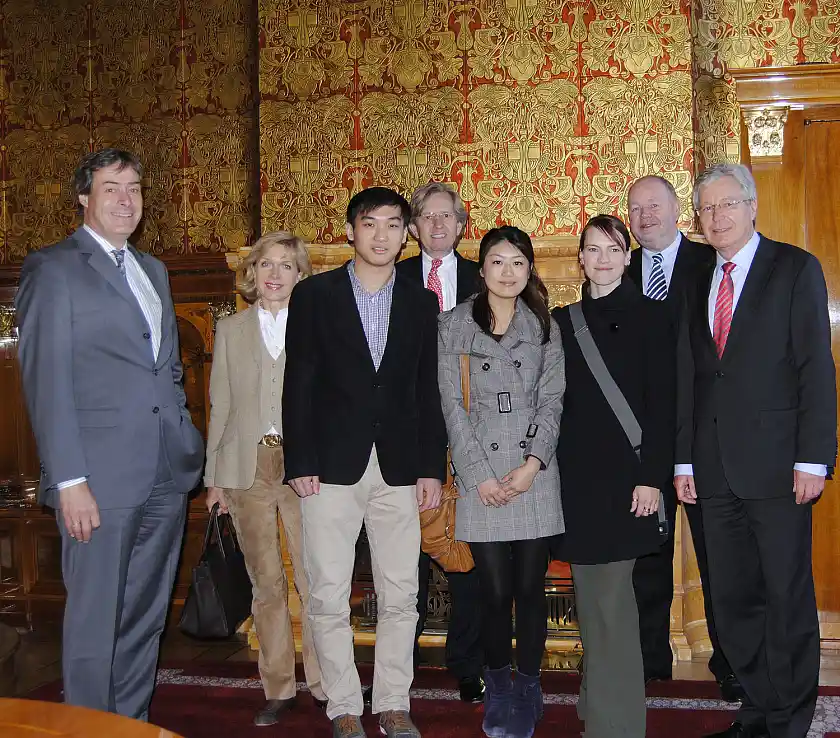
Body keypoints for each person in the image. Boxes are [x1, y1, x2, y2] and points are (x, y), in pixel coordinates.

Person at [15, 148, 204, 719]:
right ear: (84, 197)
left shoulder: (153, 270)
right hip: (97, 480)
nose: (126, 200)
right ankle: (86, 729)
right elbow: (46, 381)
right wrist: (69, 480)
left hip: (166, 472)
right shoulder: (53, 268)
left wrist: (183, 433)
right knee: (95, 622)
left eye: (134, 189)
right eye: (111, 188)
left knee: (145, 618)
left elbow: (166, 368)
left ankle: (129, 725)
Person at [675, 163, 836, 738]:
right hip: (712, 469)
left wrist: (813, 458)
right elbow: (689, 376)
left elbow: (815, 367)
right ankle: (758, 709)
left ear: (752, 207)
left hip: (778, 468)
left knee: (785, 597)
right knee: (733, 599)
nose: (716, 217)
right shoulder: (695, 279)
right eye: (707, 209)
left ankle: (790, 719)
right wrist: (683, 459)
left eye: (727, 205)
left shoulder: (794, 268)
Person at [282, 187, 448, 738]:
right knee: (327, 593)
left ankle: (394, 702)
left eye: (393, 225)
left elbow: (428, 391)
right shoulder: (314, 295)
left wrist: (431, 467)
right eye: (370, 224)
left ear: (407, 235)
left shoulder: (422, 302)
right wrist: (299, 459)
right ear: (351, 231)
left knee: (402, 593)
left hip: (399, 467)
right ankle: (345, 707)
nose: (381, 235)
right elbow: (299, 383)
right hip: (329, 467)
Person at [438, 226, 565, 738]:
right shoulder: (453, 325)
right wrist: (479, 476)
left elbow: (553, 399)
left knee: (530, 590)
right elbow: (451, 405)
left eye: (517, 262)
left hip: (534, 474)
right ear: (482, 268)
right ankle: (498, 688)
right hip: (480, 477)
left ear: (529, 269)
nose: (507, 272)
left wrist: (532, 464)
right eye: (497, 261)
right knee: (492, 592)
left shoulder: (545, 325)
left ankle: (529, 687)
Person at [553, 214, 675, 738]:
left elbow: (664, 407)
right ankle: (594, 702)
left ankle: (617, 726)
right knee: (591, 600)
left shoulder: (654, 317)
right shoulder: (561, 322)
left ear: (628, 257)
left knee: (613, 606)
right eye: (592, 249)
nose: (602, 259)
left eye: (612, 249)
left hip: (629, 483)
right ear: (580, 258)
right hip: (576, 483)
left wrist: (652, 478)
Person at [203, 232, 326, 726]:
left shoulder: (317, 326)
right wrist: (214, 478)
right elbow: (220, 404)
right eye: (266, 264)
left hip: (304, 467)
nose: (275, 274)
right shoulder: (230, 329)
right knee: (267, 581)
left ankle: (325, 682)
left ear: (300, 275)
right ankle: (278, 687)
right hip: (246, 467)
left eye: (286, 265)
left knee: (316, 578)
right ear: (252, 273)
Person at [626, 175, 742, 699]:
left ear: (678, 211)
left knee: (719, 558)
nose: (645, 215)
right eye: (636, 208)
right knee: (646, 558)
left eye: (654, 205)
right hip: (644, 440)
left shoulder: (710, 262)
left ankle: (732, 663)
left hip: (704, 435)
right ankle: (649, 661)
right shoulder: (617, 268)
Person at [396, 182, 483, 703]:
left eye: (446, 215)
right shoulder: (393, 278)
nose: (436, 224)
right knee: (404, 555)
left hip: (471, 435)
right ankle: (397, 668)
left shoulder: (484, 277)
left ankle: (467, 664)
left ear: (461, 224)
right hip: (407, 435)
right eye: (426, 216)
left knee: (467, 551)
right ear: (413, 227)